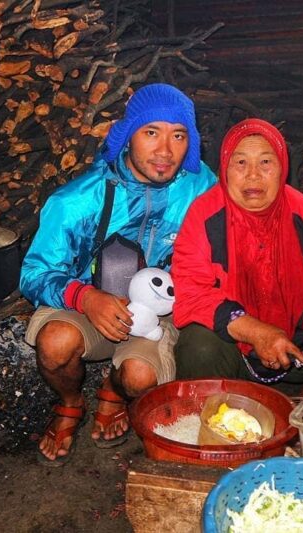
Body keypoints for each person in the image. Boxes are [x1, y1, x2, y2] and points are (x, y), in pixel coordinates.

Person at [20, 83, 217, 464]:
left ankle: (113, 389)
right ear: (128, 136)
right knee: (55, 343)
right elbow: (34, 271)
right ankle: (70, 403)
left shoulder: (201, 188)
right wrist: (85, 297)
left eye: (178, 136)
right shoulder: (77, 201)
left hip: (159, 311)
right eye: (151, 133)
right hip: (87, 305)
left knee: (139, 378)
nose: (165, 151)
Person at [172, 118, 303, 387]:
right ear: (224, 168)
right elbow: (192, 293)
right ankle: (209, 411)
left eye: (265, 162)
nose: (253, 175)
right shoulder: (205, 215)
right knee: (198, 345)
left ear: (282, 167)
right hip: (234, 350)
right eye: (240, 162)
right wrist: (257, 333)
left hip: (301, 352)